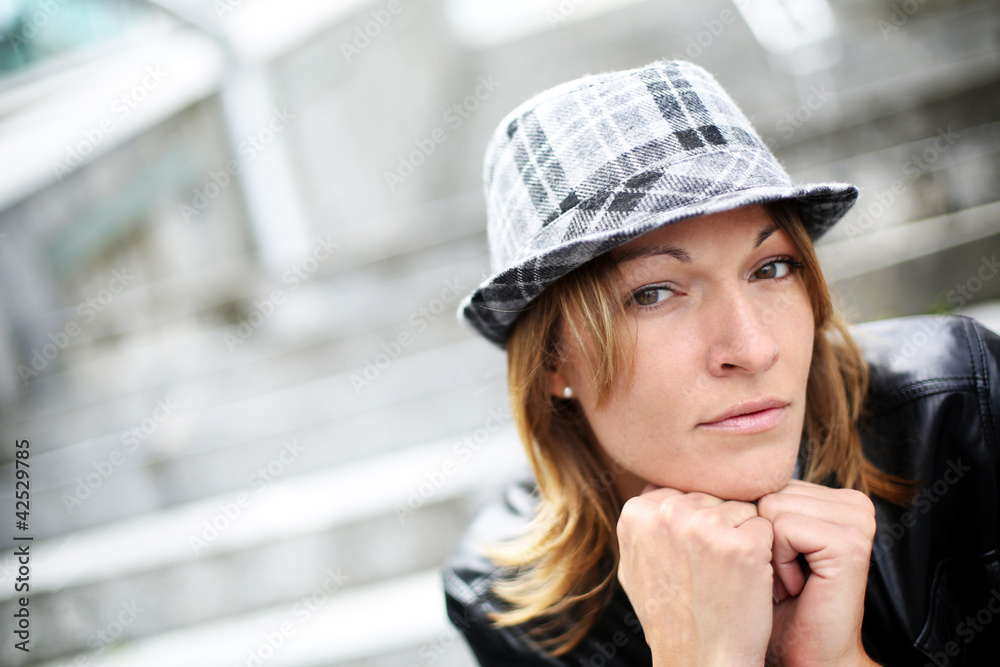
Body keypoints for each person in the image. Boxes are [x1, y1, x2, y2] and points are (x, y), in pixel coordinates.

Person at [443, 60, 1000, 666]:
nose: (754, 348)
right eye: (654, 293)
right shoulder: (508, 598)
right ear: (553, 362)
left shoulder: (958, 410)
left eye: (771, 268)